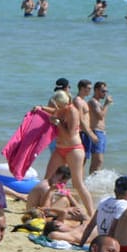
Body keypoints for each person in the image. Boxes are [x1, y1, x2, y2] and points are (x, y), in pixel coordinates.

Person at [38, 89, 91, 218]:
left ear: (65, 103)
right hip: (60, 148)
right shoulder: (61, 108)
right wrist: (40, 108)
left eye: (59, 105)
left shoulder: (72, 111)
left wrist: (57, 122)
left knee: (77, 183)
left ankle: (90, 212)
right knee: (48, 179)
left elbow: (70, 134)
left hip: (74, 149)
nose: (57, 107)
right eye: (57, 105)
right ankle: (42, 207)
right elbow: (54, 112)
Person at [85, 81, 112, 174]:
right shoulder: (93, 102)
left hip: (102, 133)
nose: (105, 93)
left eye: (106, 91)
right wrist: (107, 104)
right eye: (103, 91)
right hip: (96, 132)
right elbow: (100, 116)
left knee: (99, 161)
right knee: (98, 160)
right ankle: (90, 180)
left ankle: (93, 181)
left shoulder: (98, 103)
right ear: (96, 90)